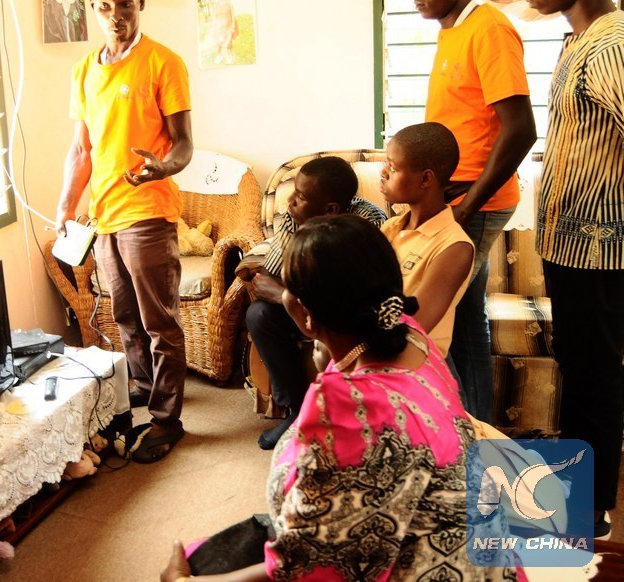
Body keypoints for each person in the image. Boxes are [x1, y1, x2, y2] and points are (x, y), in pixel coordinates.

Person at [161, 215, 523, 581]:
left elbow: (315, 570)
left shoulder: (349, 411)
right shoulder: (408, 333)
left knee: (200, 564)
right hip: (477, 553)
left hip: (431, 568)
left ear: (304, 314)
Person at [55, 0, 193, 464]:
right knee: (125, 318)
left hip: (148, 212)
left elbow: (183, 145)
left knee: (160, 323)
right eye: (106, 7)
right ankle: (144, 389)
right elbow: (81, 150)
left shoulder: (164, 62)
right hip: (105, 216)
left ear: (141, 4)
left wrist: (163, 168)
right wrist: (65, 208)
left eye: (127, 5)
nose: (117, 16)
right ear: (93, 7)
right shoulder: (83, 70)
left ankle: (167, 421)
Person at [519, 0, 624, 539]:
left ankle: (590, 510)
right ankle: (577, 487)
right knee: (579, 368)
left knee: (594, 375)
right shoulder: (580, 40)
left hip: (598, 251)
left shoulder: (610, 47)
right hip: (571, 247)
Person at [410, 0, 537, 423]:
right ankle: (473, 433)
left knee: (447, 320)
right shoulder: (453, 30)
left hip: (477, 201)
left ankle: (469, 435)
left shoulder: (490, 30)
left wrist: (465, 208)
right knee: (463, 320)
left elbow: (520, 130)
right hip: (454, 198)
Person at [240, 157, 386, 450]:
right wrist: (287, 293)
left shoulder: (367, 224)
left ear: (331, 209)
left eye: (301, 196)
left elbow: (352, 295)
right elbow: (271, 274)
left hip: (356, 314)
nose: (291, 201)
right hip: (311, 304)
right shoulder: (294, 214)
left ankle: (345, 414)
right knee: (259, 314)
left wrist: (284, 294)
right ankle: (297, 412)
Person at [379, 122, 474, 360]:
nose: (383, 173)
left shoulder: (455, 247)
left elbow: (413, 326)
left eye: (392, 167)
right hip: (377, 346)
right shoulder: (390, 227)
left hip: (411, 364)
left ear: (425, 179)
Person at [210, 0, 238, 65]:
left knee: (228, 43)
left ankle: (229, 55)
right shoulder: (216, 4)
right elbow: (214, 16)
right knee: (219, 43)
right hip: (218, 28)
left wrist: (232, 27)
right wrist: (213, 26)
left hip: (227, 27)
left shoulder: (229, 3)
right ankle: (219, 55)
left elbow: (233, 15)